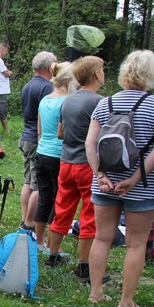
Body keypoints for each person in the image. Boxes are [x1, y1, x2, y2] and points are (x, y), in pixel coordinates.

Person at [85, 50, 154, 307]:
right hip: (142, 186)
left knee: (102, 237)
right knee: (136, 243)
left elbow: (90, 143)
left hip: (105, 182)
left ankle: (96, 292)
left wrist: (99, 174)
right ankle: (126, 302)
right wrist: (134, 179)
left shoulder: (105, 103)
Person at [47, 56, 107, 282]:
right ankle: (84, 266)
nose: (103, 73)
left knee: (62, 207)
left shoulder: (68, 100)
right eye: (101, 69)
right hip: (87, 165)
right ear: (95, 75)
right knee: (89, 213)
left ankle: (52, 256)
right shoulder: (100, 101)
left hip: (66, 162)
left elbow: (61, 133)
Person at [34, 62, 75, 258]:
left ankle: (39, 242)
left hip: (42, 153)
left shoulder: (45, 100)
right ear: (68, 80)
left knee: (44, 198)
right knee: (58, 200)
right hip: (59, 156)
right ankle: (53, 246)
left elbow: (40, 130)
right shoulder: (67, 102)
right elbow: (65, 132)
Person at [19, 51, 56, 232]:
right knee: (38, 186)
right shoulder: (47, 88)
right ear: (50, 67)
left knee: (28, 181)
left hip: (26, 137)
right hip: (37, 140)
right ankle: (29, 223)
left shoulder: (28, 86)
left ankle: (25, 218)